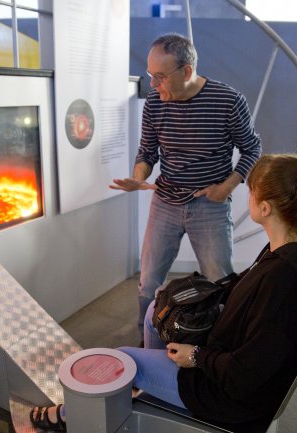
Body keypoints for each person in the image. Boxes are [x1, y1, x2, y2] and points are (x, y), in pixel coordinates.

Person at [31, 154, 297, 432]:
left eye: (251, 191)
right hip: (231, 356)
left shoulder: (284, 281)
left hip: (232, 397)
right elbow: (244, 295)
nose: (246, 195)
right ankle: (155, 397)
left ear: (265, 208)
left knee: (124, 360)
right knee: (157, 309)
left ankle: (73, 416)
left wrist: (195, 356)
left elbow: (247, 374)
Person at [110, 33, 262, 340]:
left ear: (187, 71)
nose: (154, 85)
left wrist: (227, 187)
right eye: (150, 75)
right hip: (165, 202)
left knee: (219, 281)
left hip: (210, 206)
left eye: (161, 77)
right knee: (149, 282)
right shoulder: (155, 102)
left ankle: (216, 343)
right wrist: (139, 176)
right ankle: (147, 338)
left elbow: (252, 148)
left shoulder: (228, 100)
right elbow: (147, 152)